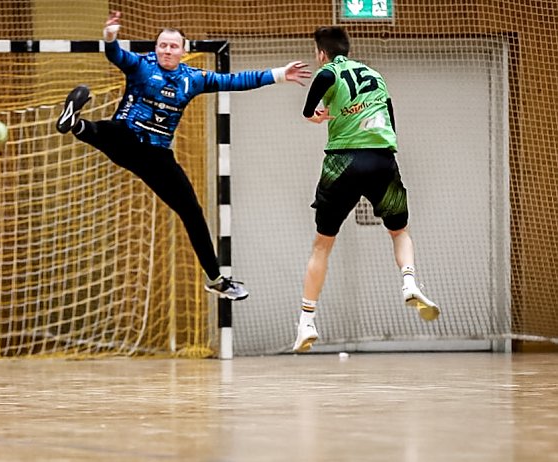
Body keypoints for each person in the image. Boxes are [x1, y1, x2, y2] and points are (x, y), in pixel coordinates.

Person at [56, 11, 311, 301]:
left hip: (157, 156)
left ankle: (215, 279)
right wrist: (110, 37)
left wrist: (280, 75)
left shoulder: (193, 79)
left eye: (173, 46)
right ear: (155, 49)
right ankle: (75, 124)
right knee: (114, 132)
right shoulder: (141, 68)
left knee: (191, 212)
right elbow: (117, 56)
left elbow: (236, 80)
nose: (167, 50)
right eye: (162, 45)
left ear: (184, 50)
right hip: (126, 138)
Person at [292, 26, 440, 352]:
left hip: (342, 162)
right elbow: (390, 119)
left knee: (322, 246)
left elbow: (310, 106)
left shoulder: (328, 72)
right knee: (399, 232)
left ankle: (306, 322)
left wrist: (314, 116)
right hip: (382, 160)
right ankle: (410, 282)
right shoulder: (376, 75)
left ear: (321, 53)